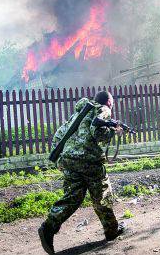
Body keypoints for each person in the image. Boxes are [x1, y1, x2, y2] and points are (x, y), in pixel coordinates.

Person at [38, 91, 125, 255]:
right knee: (102, 194)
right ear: (108, 101)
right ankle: (111, 230)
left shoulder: (80, 111)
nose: (112, 105)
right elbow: (98, 133)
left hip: (69, 160)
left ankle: (48, 227)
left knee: (73, 197)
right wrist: (114, 131)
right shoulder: (103, 110)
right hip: (89, 161)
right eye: (112, 102)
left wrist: (61, 160)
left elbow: (59, 134)